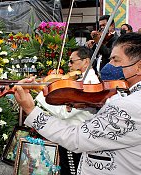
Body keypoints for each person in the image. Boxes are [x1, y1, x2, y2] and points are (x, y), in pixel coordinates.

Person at [14, 32, 141, 174]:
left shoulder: (132, 107)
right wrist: (90, 105)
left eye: (116, 60)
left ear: (140, 67)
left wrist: (31, 109)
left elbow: (76, 139)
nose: (110, 64)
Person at [35, 47, 99, 175]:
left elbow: (64, 113)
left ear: (86, 61)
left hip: (75, 137)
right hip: (72, 136)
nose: (69, 65)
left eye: (72, 61)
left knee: (70, 171)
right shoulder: (80, 80)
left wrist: (41, 93)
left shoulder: (89, 83)